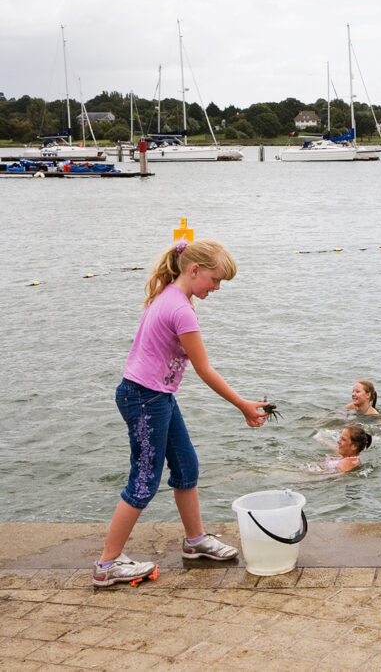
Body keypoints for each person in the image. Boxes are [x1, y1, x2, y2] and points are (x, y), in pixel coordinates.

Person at [92, 239, 269, 587]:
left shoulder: (171, 295)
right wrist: (243, 404)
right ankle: (106, 564)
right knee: (144, 481)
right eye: (215, 280)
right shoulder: (181, 309)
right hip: (145, 399)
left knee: (186, 467)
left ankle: (195, 540)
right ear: (194, 270)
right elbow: (204, 369)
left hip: (155, 396)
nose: (217, 288)